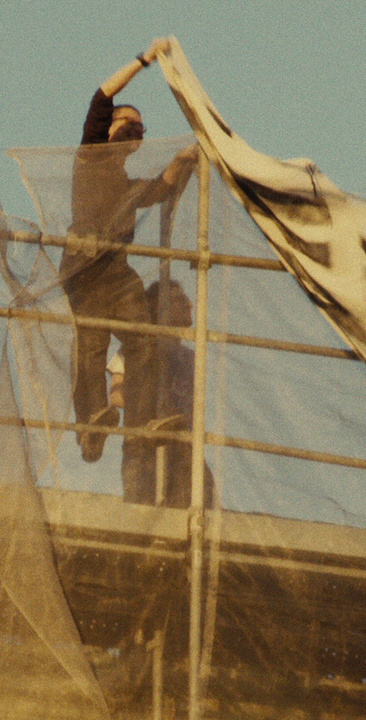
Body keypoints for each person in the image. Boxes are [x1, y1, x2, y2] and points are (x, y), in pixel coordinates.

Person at [62, 38, 197, 502]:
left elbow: (161, 189)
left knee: (144, 342)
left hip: (116, 273)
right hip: (84, 266)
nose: (135, 132)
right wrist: (144, 59)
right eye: (128, 123)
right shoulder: (89, 154)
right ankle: (91, 427)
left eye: (140, 128)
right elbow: (102, 95)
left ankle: (142, 424)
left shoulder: (128, 186)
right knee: (92, 345)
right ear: (107, 130)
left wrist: (182, 159)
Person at [108, 279, 212, 507]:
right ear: (159, 308)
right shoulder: (137, 351)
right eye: (179, 299)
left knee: (199, 498)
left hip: (182, 446)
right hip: (144, 446)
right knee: (141, 509)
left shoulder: (190, 358)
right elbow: (117, 395)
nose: (189, 304)